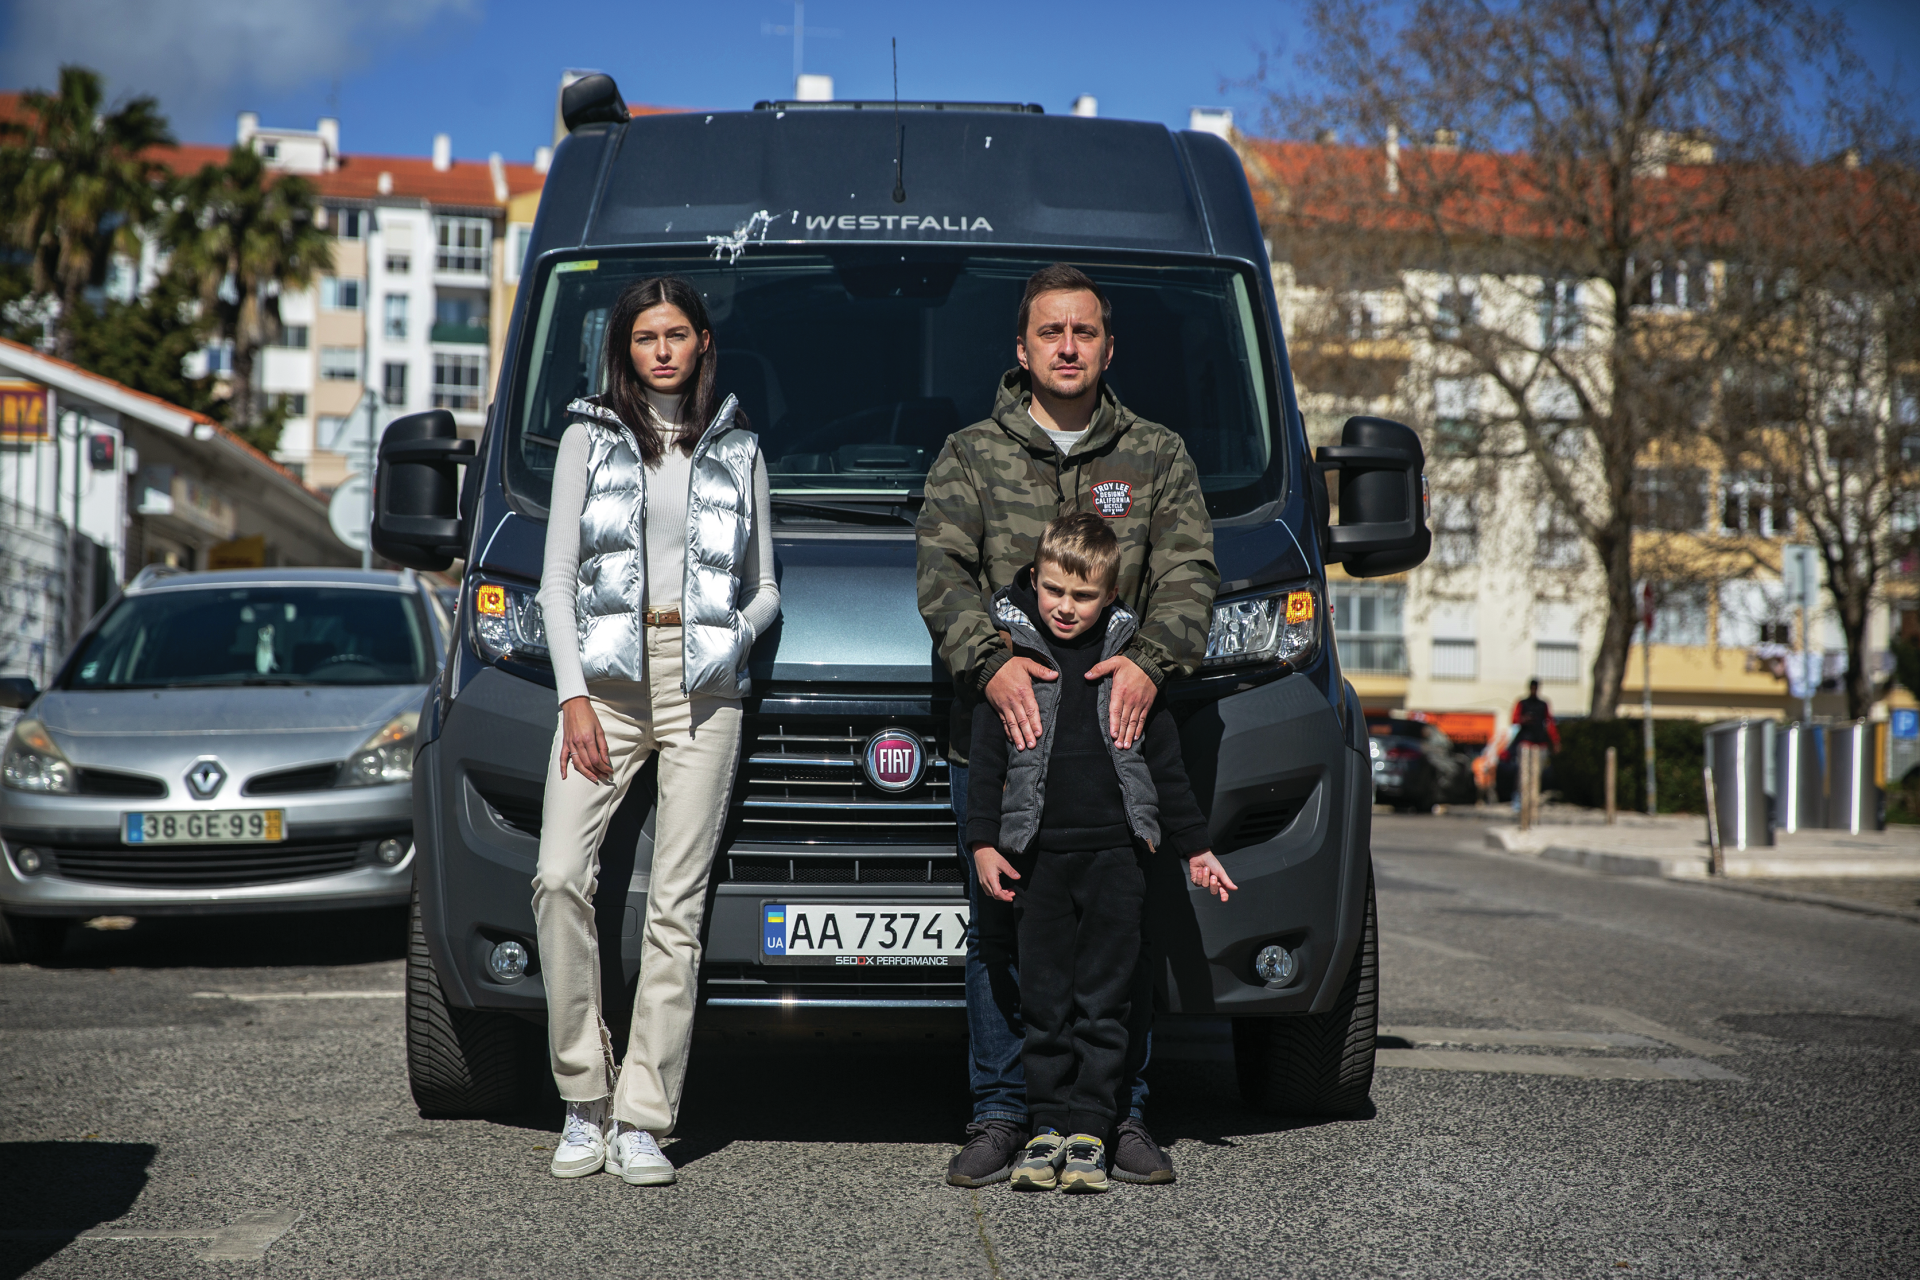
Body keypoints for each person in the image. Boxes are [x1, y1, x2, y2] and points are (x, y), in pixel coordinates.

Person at [917, 263, 1218, 1188]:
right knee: (1004, 938)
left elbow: (1190, 575)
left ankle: (1118, 1115)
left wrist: (1148, 661)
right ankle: (1004, 1112)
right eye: (1051, 332)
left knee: (1119, 941)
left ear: (1108, 346)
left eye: (1084, 332)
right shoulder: (971, 453)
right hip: (1002, 744)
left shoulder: (1157, 454)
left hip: (1117, 751)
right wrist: (991, 660)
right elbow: (940, 573)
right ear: (1022, 348)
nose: (1068, 347)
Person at [532, 276, 779, 1185]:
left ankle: (643, 1117)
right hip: (601, 688)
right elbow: (556, 582)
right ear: (625, 348)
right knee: (560, 875)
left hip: (705, 691)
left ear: (703, 343)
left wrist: (731, 641)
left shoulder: (741, 445)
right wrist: (572, 697)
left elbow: (766, 586)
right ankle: (581, 1098)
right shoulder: (588, 437)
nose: (663, 350)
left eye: (678, 334)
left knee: (677, 906)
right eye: (646, 337)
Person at [966, 515, 1236, 1193]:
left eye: (1083, 597)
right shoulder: (1013, 664)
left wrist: (1196, 846)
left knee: (1105, 999)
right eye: (1054, 590)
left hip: (1117, 862)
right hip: (1038, 862)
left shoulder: (1130, 671)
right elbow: (985, 766)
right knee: (1046, 1000)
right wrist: (983, 845)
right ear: (1035, 579)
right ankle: (1045, 1128)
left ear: (1111, 597)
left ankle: (1093, 1128)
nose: (1065, 607)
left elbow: (1167, 770)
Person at [1505, 678, 1560, 810]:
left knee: (1537, 773)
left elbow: (1550, 723)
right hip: (1525, 742)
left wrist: (1555, 741)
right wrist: (1524, 719)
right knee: (1523, 772)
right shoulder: (1522, 703)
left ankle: (1533, 799)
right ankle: (1518, 799)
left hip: (1540, 743)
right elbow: (1514, 720)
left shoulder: (1543, 704)